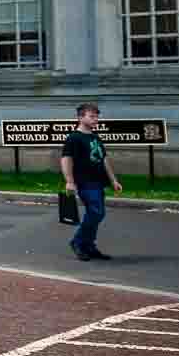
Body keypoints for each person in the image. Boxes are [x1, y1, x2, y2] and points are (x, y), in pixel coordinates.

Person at [61, 101, 124, 262]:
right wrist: (69, 181)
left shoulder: (95, 137)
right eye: (92, 116)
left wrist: (113, 180)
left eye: (97, 117)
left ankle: (89, 246)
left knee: (96, 214)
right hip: (84, 182)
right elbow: (66, 159)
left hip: (98, 181)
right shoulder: (74, 138)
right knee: (97, 212)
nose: (96, 120)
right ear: (80, 118)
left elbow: (104, 159)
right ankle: (78, 242)